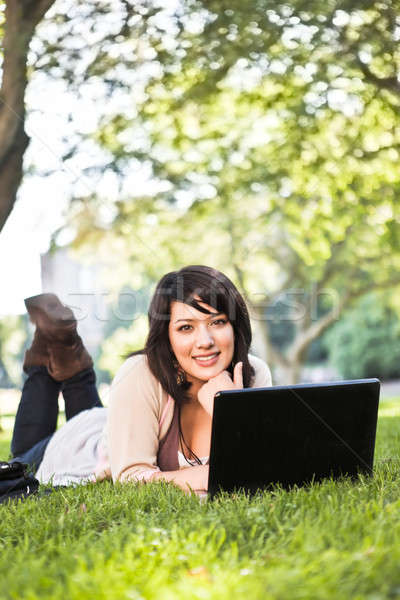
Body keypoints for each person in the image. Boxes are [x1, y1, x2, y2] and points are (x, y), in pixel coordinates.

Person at [10, 265, 272, 495]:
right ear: (166, 338)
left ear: (235, 327)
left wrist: (229, 409)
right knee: (18, 462)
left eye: (217, 322)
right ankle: (54, 354)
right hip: (78, 448)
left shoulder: (252, 373)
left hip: (119, 423)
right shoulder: (141, 372)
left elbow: (265, 466)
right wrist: (201, 476)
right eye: (186, 327)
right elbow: (130, 478)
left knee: (82, 391)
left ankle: (67, 353)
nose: (205, 341)